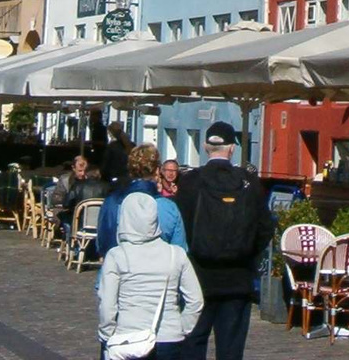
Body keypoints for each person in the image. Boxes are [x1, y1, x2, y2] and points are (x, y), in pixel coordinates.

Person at [173, 122, 271, 360]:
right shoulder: (249, 183)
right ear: (231, 149)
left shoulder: (189, 182)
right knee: (231, 349)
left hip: (198, 277)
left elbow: (180, 226)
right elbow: (266, 227)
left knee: (193, 342)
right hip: (238, 277)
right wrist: (249, 252)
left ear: (206, 147)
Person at [97, 193, 203, 359]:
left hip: (127, 338)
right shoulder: (176, 254)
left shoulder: (117, 255)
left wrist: (107, 334)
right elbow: (196, 300)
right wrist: (182, 327)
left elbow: (108, 304)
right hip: (170, 339)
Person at [98, 144, 187, 255]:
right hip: (159, 267)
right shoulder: (169, 207)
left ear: (130, 170)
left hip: (121, 267)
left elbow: (103, 245)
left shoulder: (112, 202)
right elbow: (180, 251)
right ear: (157, 171)